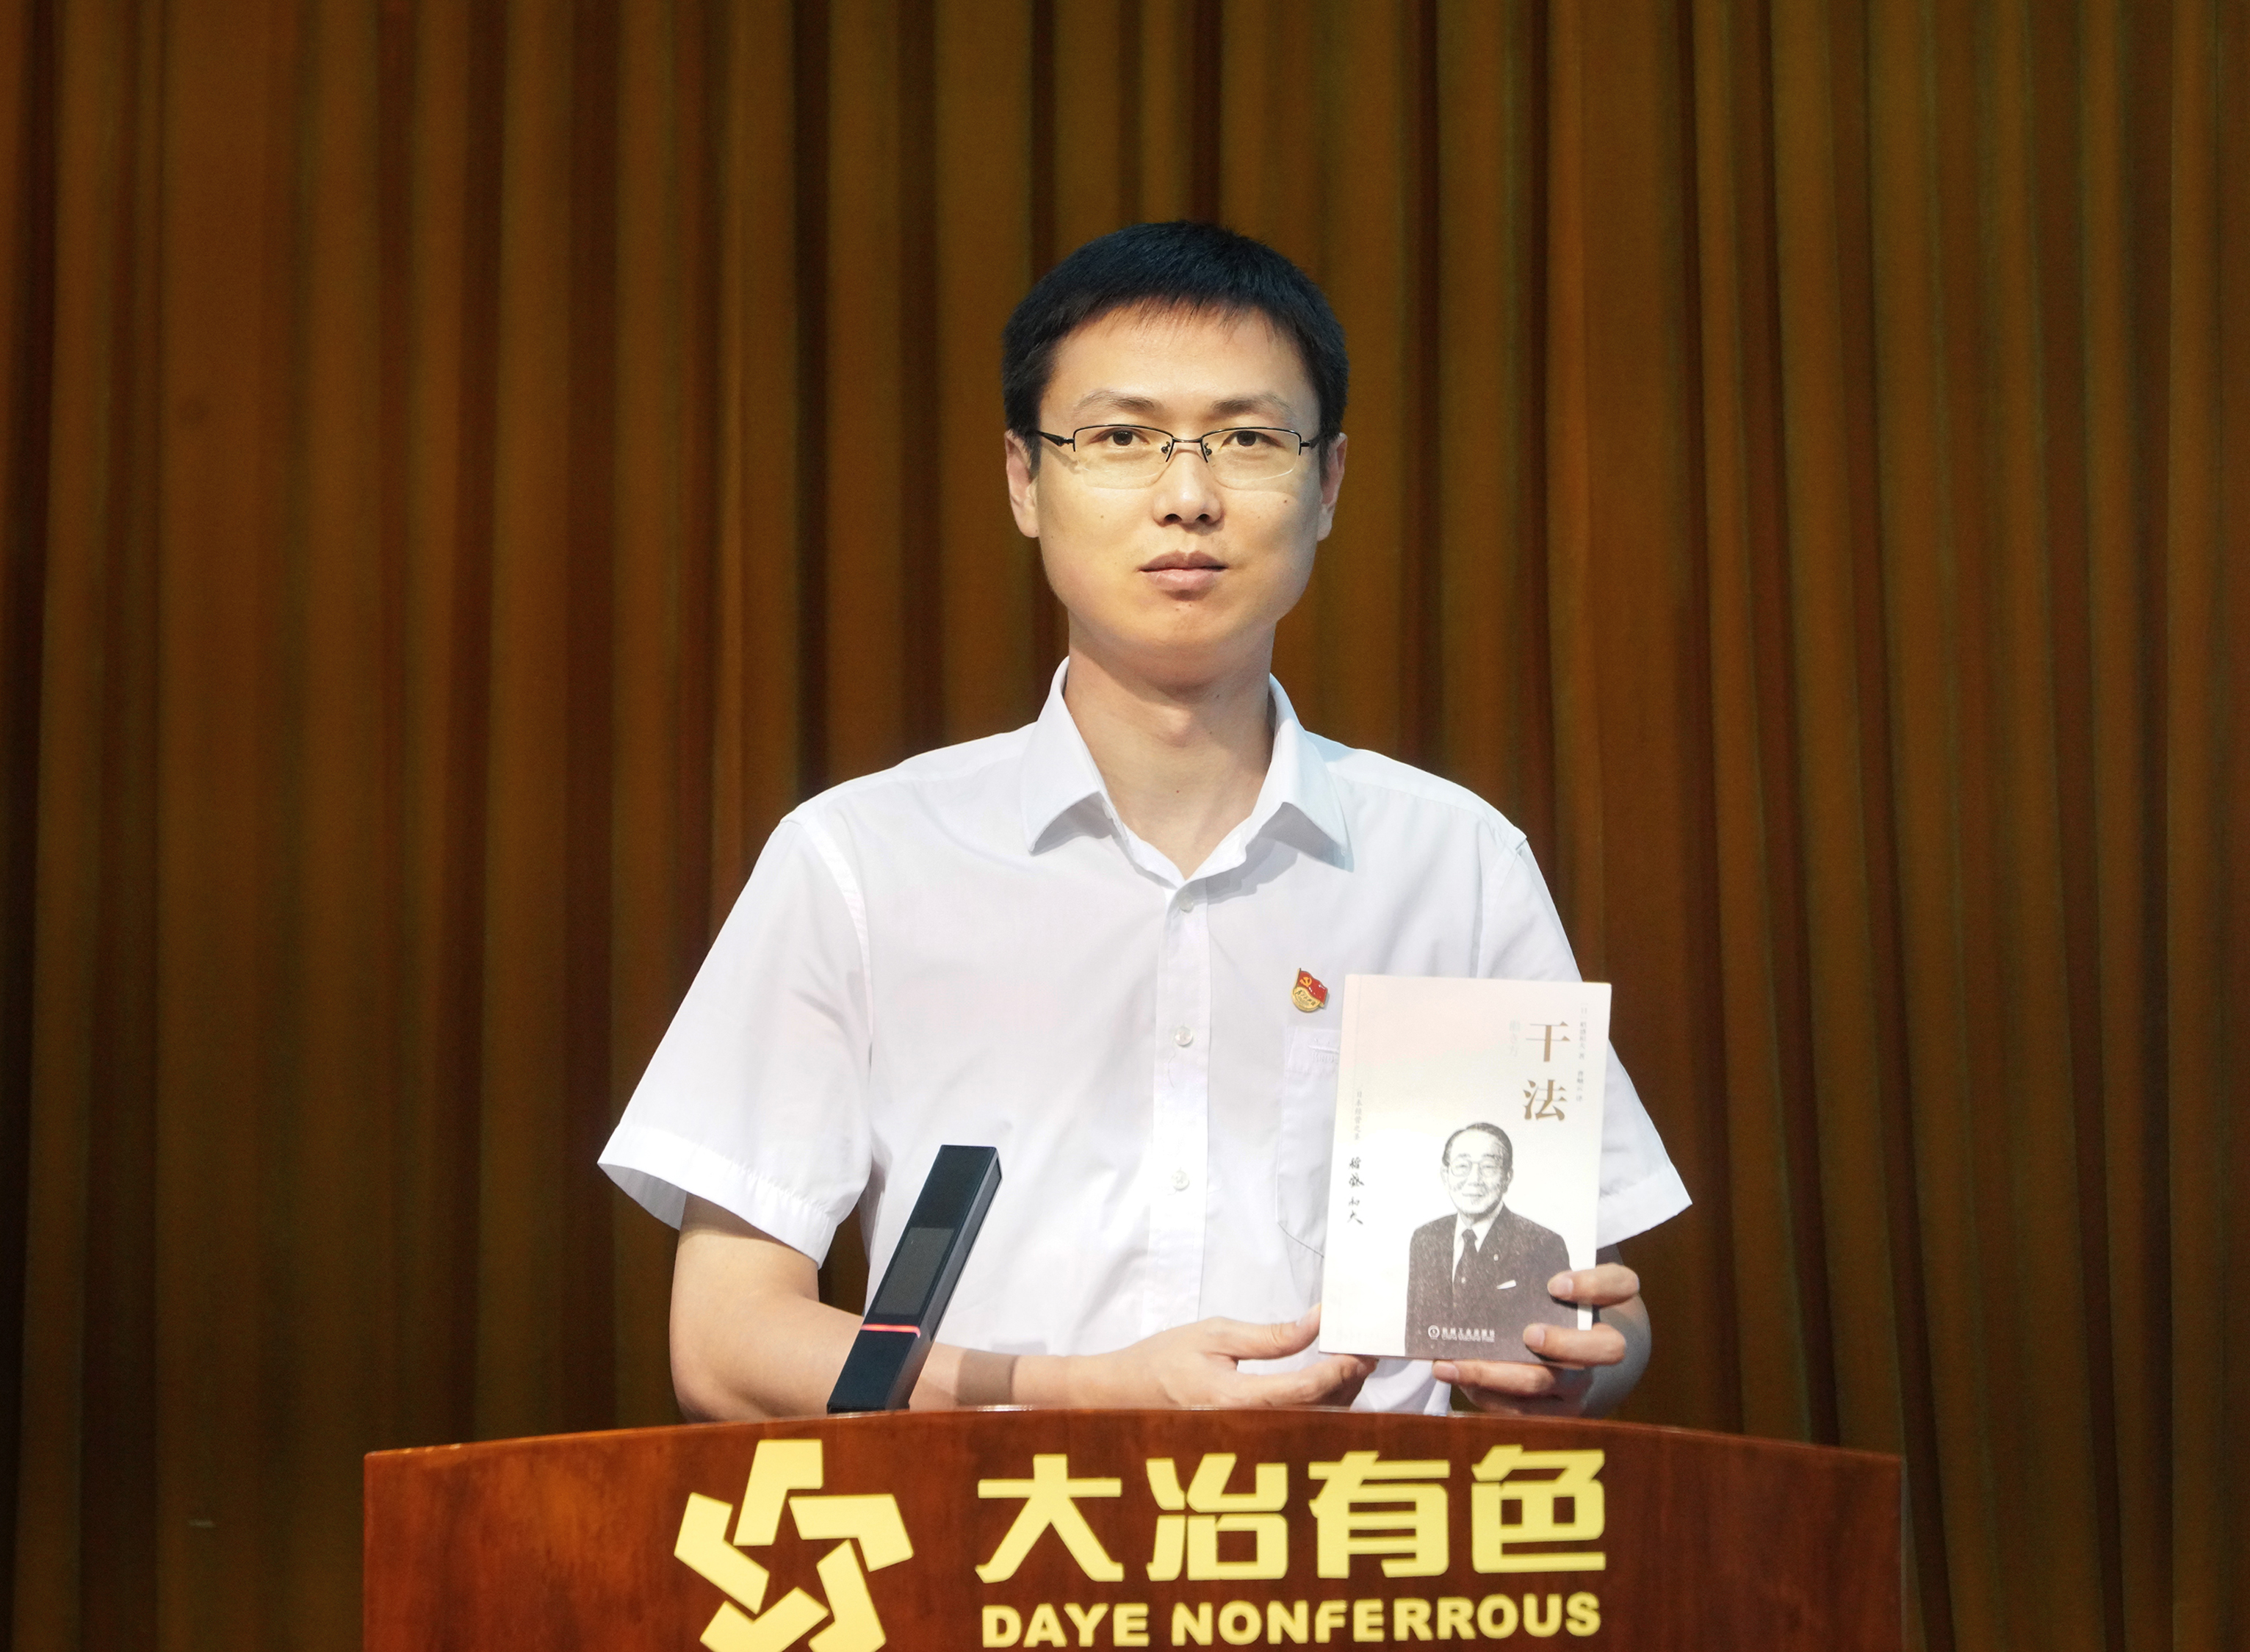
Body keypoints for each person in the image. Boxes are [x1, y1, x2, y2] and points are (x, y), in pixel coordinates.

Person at [598, 220, 1689, 1420]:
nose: (1188, 497)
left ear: (1328, 483)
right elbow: (726, 1340)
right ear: (1025, 480)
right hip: (1000, 1535)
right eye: (1121, 438)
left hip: (1355, 1534)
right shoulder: (860, 860)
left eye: (1248, 439)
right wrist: (1084, 1395)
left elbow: (1596, 1303)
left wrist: (1574, 1362)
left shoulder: (1453, 862)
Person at [1403, 1124, 1575, 1360]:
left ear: (1507, 1177)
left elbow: (1555, 1344)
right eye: (1462, 1166)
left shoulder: (1542, 1244)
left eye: (1488, 1167)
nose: (1474, 1180)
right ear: (1445, 1175)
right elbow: (1416, 1338)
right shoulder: (1425, 1238)